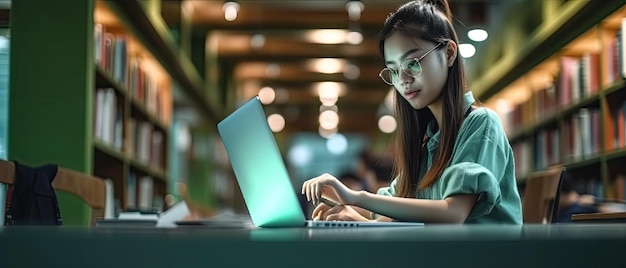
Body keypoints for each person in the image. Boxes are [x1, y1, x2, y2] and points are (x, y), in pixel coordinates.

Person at [301, 0, 522, 224]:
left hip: (486, 258)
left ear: (449, 53)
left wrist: (357, 198)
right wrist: (350, 210)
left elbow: (453, 213)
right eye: (394, 71)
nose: (403, 80)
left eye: (413, 63)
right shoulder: (428, 141)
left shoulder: (481, 123)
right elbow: (396, 205)